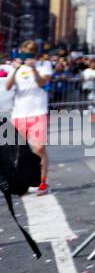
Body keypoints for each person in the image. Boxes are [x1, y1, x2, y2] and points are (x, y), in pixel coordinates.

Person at [3, 60, 50, 194]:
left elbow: (41, 83)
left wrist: (34, 68)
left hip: (38, 112)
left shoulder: (44, 64)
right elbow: (8, 86)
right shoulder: (16, 66)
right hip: (19, 114)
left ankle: (42, 182)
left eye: (31, 53)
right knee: (18, 152)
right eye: (26, 53)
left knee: (39, 148)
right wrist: (16, 70)